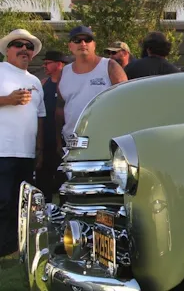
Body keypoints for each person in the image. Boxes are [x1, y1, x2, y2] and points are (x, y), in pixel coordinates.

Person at [0, 29, 46, 257]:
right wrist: (7, 100)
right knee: (3, 201)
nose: (25, 49)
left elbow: (40, 116)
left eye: (29, 46)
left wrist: (40, 149)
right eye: (19, 45)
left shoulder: (35, 81)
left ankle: (15, 247)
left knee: (21, 204)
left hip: (26, 153)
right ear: (8, 50)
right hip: (3, 150)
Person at [56, 26, 128, 143]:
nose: (83, 43)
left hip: (104, 140)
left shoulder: (110, 66)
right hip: (73, 142)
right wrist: (58, 141)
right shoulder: (64, 73)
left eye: (87, 40)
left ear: (94, 44)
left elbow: (125, 103)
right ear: (70, 46)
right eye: (77, 40)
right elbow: (60, 109)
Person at [37, 50, 69, 201]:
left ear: (59, 64)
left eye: (48, 63)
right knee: (43, 181)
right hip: (46, 138)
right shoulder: (43, 84)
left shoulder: (68, 84)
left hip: (65, 140)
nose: (44, 66)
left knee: (64, 180)